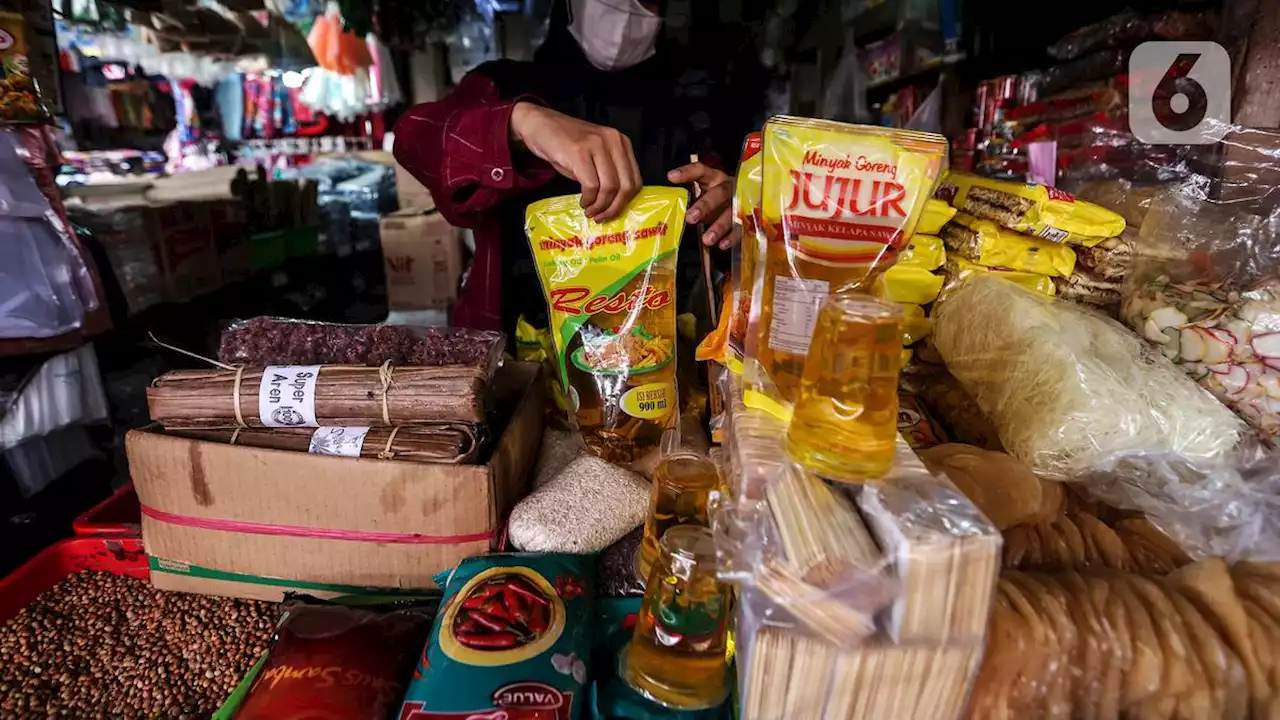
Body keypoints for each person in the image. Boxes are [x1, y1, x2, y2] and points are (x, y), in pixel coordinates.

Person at [393, 0, 738, 334]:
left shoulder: (692, 109)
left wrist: (736, 215)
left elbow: (721, 230)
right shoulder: (504, 86)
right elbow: (414, 138)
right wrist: (520, 122)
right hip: (514, 359)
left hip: (651, 357)